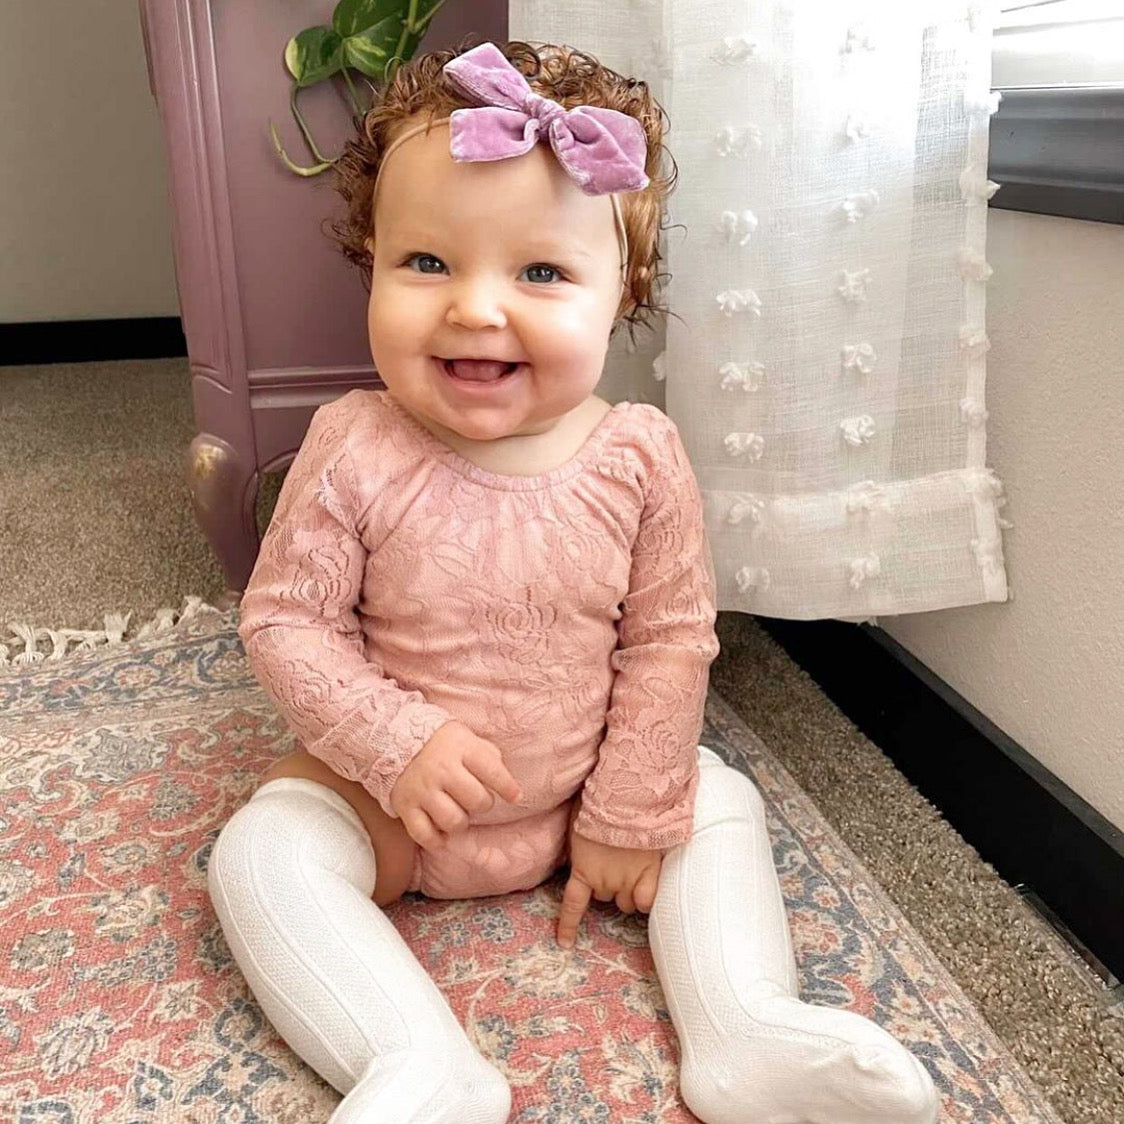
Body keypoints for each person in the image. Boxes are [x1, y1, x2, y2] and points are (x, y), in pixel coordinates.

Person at [206, 38, 939, 1124]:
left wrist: (631, 807)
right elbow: (285, 620)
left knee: (718, 799)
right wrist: (392, 742)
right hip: (397, 806)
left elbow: (669, 638)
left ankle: (742, 1027)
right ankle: (418, 1062)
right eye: (426, 263)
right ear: (372, 262)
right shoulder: (353, 442)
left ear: (619, 291)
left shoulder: (638, 454)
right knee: (261, 853)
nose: (474, 308)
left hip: (584, 788)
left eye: (540, 273)